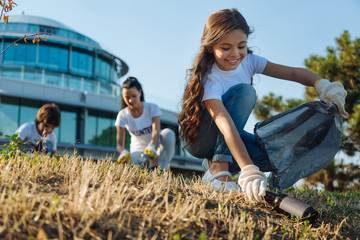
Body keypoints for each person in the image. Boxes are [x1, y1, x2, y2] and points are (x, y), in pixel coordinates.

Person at [178, 9, 348, 202]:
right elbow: (226, 127)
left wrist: (324, 85)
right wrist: (248, 168)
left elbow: (293, 73)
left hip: (225, 135)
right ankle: (219, 168)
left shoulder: (250, 62)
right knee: (245, 93)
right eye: (226, 48)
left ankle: (214, 162)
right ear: (210, 47)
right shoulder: (211, 77)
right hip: (198, 138)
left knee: (271, 157)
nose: (235, 54)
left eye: (241, 46)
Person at [115, 76, 176, 171]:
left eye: (134, 96)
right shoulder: (122, 115)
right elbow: (119, 145)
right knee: (136, 168)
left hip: (156, 146)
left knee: (168, 134)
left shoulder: (152, 108)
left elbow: (156, 131)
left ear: (140, 92)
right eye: (127, 97)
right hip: (138, 150)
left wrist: (151, 146)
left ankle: (163, 168)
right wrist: (123, 152)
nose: (131, 100)